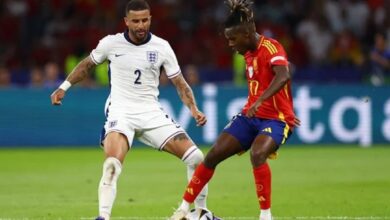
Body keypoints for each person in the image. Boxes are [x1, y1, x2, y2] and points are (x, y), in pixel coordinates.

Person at [50, 1, 209, 219]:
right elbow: (87, 65)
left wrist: (194, 109)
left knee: (197, 158)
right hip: (121, 113)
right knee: (112, 165)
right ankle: (103, 216)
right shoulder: (110, 44)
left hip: (152, 113)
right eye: (135, 21)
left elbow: (180, 83)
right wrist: (63, 87)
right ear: (126, 21)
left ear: (150, 19)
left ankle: (199, 212)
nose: (141, 25)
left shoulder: (162, 47)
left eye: (145, 20)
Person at [170, 1, 299, 220]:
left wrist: (261, 100)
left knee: (258, 154)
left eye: (232, 39)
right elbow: (244, 24)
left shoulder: (272, 47)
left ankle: (266, 215)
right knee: (211, 156)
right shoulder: (246, 50)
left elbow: (283, 75)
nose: (230, 44)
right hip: (250, 116)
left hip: (277, 119)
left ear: (248, 34)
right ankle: (183, 209)